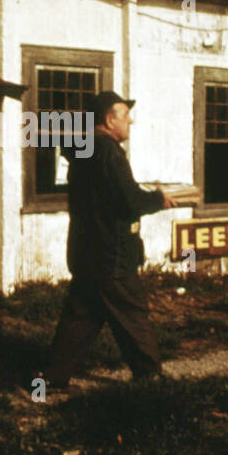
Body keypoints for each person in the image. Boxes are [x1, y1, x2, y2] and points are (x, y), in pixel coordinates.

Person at [44, 90, 179, 390]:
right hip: (111, 253)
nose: (131, 120)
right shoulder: (110, 152)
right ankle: (151, 379)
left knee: (82, 316)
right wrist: (159, 198)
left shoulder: (81, 150)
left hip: (84, 250)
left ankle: (51, 380)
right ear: (108, 120)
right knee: (132, 312)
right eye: (125, 115)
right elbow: (128, 201)